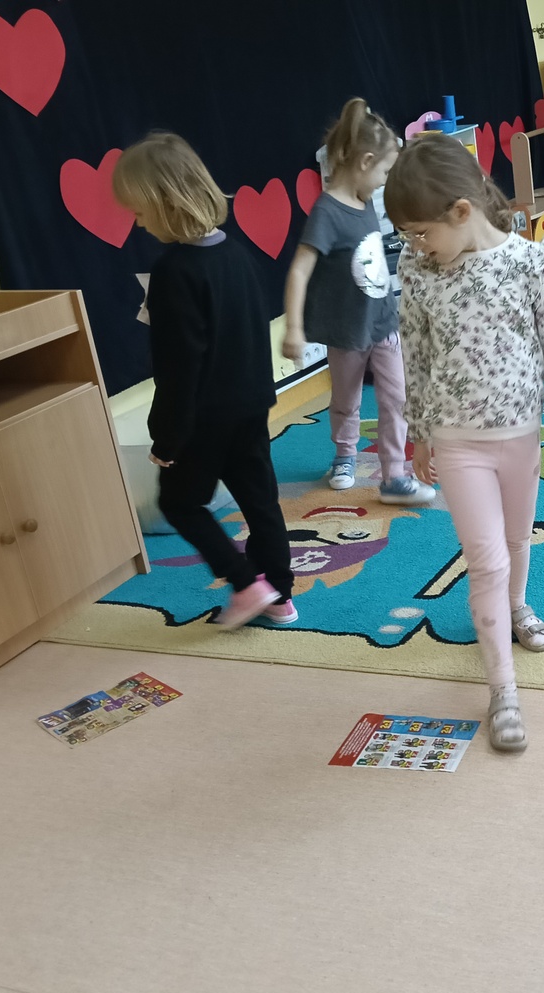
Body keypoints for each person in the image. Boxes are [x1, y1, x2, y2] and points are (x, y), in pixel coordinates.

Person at [384, 134, 544, 752]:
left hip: (520, 437)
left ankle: (518, 606)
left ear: (461, 211)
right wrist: (419, 432)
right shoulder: (420, 272)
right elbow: (415, 356)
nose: (416, 245)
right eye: (407, 236)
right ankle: (503, 689)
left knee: (517, 541)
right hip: (457, 443)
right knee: (487, 561)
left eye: (422, 232)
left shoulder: (530, 263)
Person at [113, 133, 295, 628]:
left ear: (166, 202)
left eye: (139, 212)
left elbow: (178, 366)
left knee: (179, 502)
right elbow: (250, 333)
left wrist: (166, 438)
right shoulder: (237, 254)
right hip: (251, 403)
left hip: (204, 418)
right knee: (260, 500)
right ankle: (280, 596)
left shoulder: (173, 271)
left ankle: (246, 583)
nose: (138, 223)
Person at [282, 99, 433, 505]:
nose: (384, 182)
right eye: (384, 172)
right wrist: (294, 327)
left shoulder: (366, 203)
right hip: (347, 331)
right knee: (346, 400)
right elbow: (299, 269)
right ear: (365, 162)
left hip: (383, 323)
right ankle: (344, 455)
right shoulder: (327, 212)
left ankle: (393, 476)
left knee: (396, 398)